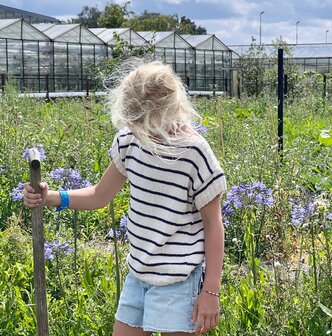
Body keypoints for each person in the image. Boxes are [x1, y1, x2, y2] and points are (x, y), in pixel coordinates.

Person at [23, 60, 227, 336]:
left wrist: (211, 291)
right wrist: (53, 198)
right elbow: (99, 194)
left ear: (168, 111)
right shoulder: (130, 140)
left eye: (145, 122)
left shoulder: (194, 153)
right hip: (138, 276)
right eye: (134, 121)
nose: (139, 128)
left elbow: (214, 225)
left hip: (178, 282)